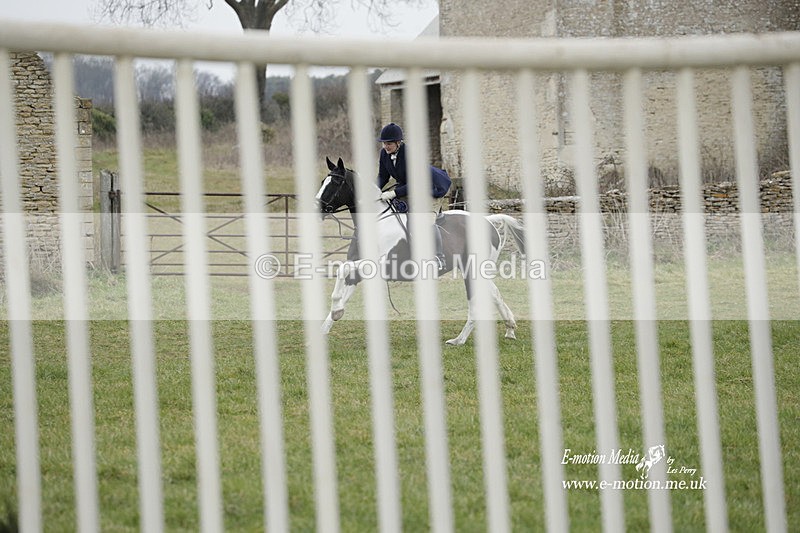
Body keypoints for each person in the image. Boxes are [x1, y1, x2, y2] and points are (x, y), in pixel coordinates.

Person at [376, 122, 451, 272]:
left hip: (430, 187)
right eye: (384, 143)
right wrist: (373, 190)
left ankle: (439, 258)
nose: (386, 146)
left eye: (389, 143)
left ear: (398, 143)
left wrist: (394, 193)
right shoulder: (384, 154)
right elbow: (383, 176)